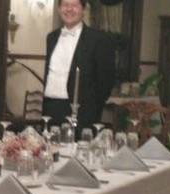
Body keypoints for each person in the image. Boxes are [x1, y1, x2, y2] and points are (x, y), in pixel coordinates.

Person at [43, 0, 116, 137]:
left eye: (74, 5)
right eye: (65, 5)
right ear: (59, 9)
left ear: (83, 9)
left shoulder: (99, 39)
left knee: (79, 155)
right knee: (51, 153)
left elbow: (106, 80)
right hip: (51, 108)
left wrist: (92, 108)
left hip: (82, 112)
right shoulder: (51, 38)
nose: (69, 9)